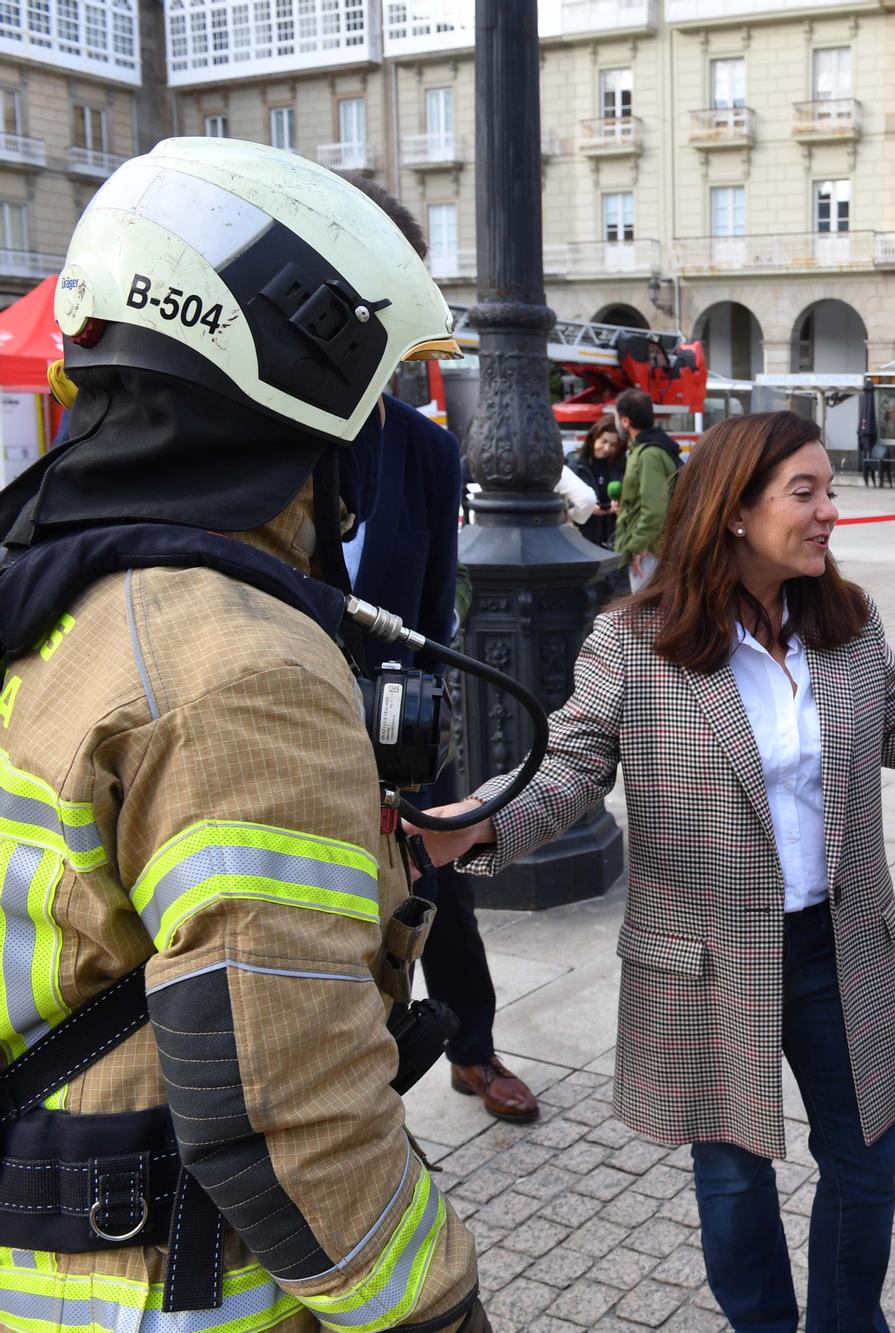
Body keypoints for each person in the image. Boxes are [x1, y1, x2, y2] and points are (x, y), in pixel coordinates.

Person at [412, 411, 895, 1332]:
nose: (828, 512)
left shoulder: (845, 623)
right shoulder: (636, 640)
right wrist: (474, 824)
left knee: (867, 1159)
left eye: (830, 491)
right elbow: (572, 767)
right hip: (705, 955)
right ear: (733, 510)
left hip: (841, 945)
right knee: (733, 1175)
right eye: (804, 493)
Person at [0, 138, 483, 1328]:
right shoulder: (238, 665)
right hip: (176, 1284)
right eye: (371, 397)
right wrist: (435, 1306)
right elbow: (291, 1109)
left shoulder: (57, 580)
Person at [338, 175, 541, 1125]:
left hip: (396, 731)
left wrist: (420, 741)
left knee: (444, 897)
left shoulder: (423, 451)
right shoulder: (247, 449)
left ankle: (475, 1046)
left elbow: (430, 615)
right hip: (275, 740)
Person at [612, 386, 680, 588]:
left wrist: (637, 545)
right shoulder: (651, 448)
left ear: (625, 421)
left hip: (649, 551)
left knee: (648, 614)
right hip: (653, 546)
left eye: (616, 416)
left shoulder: (648, 454)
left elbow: (654, 508)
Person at [569, 413, 626, 549]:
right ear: (594, 438)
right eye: (603, 441)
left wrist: (620, 505)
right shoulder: (576, 467)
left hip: (615, 541)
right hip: (584, 539)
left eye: (613, 444)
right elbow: (566, 504)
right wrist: (586, 508)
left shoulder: (623, 468)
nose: (607, 449)